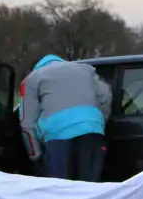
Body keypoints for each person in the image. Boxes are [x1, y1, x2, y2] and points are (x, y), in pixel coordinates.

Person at [19, 54, 113, 182]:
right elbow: (106, 96)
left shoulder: (32, 78)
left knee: (61, 190)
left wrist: (35, 155)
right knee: (89, 187)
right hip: (92, 131)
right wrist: (98, 121)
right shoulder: (86, 69)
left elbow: (27, 122)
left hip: (56, 136)